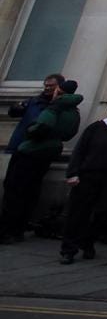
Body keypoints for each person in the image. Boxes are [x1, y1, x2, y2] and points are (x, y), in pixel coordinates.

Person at [0, 79, 82, 242]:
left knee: (15, 190)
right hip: (49, 152)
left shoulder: (54, 107)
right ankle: (19, 228)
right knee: (31, 190)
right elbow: (69, 133)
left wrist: (31, 130)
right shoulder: (74, 112)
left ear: (59, 90)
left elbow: (41, 127)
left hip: (30, 150)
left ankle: (8, 230)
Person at [60, 96, 107, 265]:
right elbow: (79, 152)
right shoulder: (95, 128)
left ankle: (88, 240)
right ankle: (69, 250)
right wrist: (73, 173)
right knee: (78, 212)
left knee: (105, 210)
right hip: (89, 174)